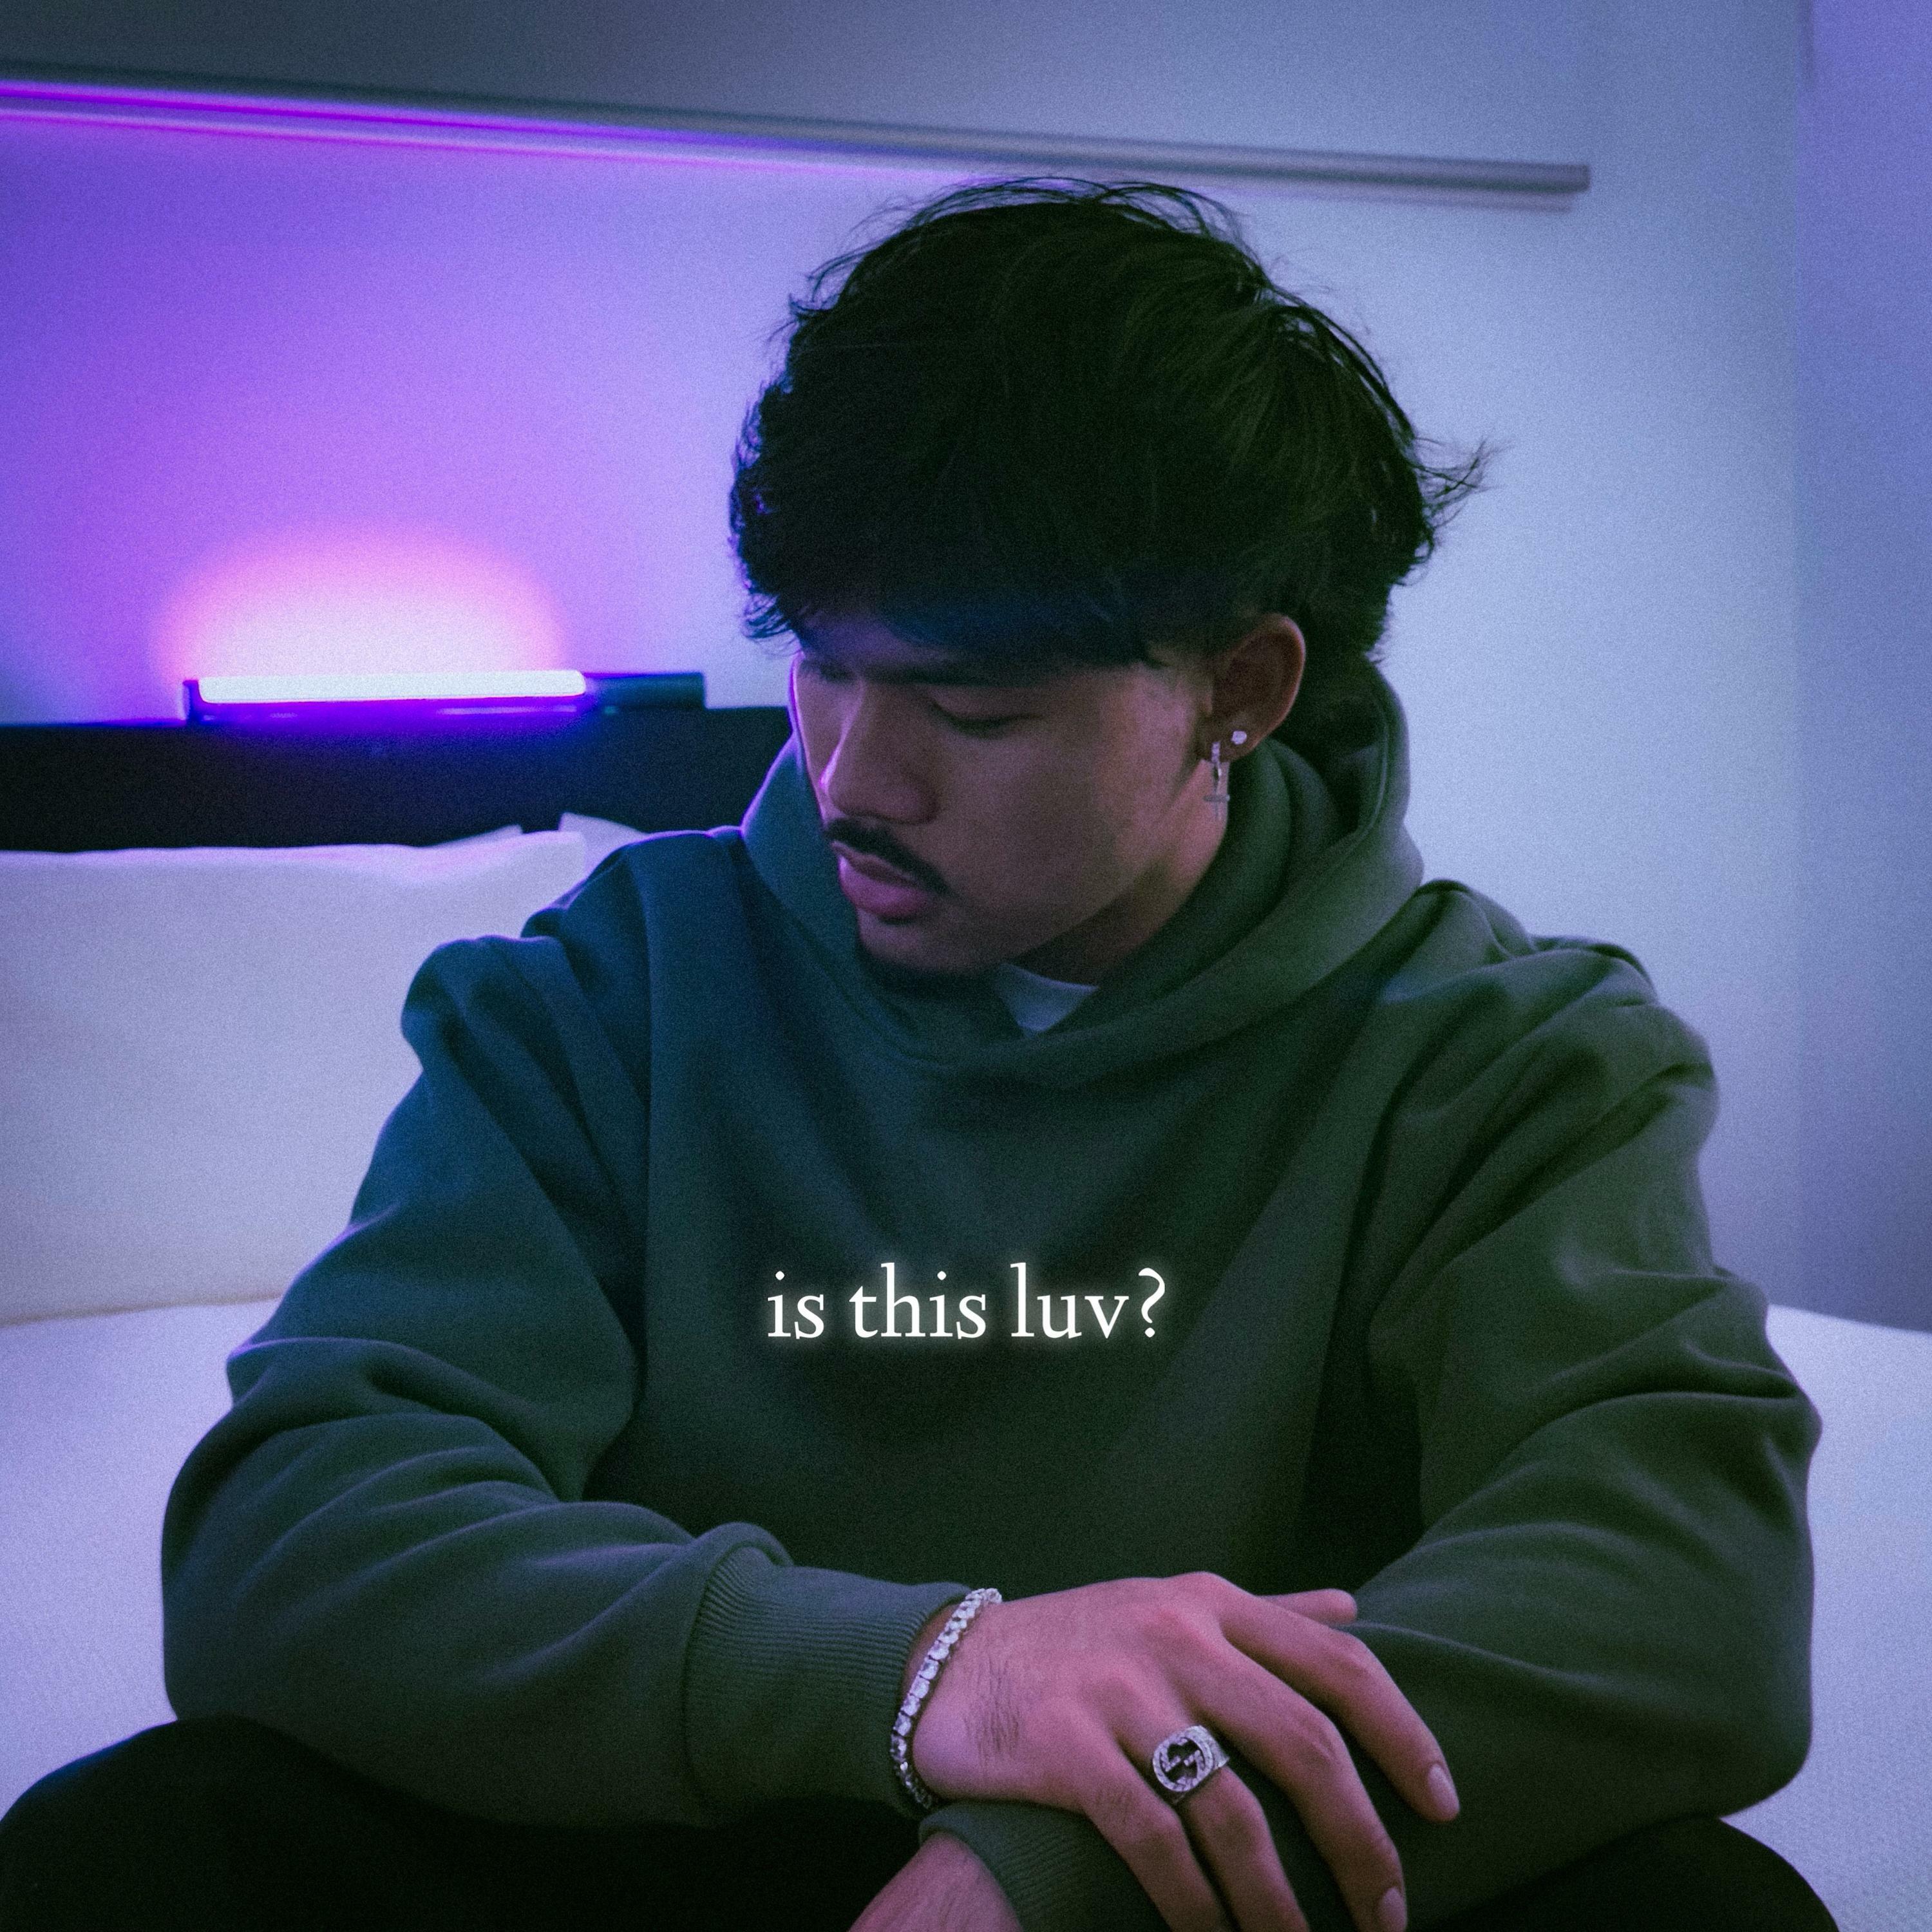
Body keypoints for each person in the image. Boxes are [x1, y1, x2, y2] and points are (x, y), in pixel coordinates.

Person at [0, 180, 1835, 1932]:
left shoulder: (1507, 1060)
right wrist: (937, 1674)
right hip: (658, 1835)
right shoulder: (616, 995)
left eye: (973, 707)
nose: (850, 776)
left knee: (1700, 1919)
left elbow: (1679, 1590)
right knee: (139, 1853)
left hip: (1176, 1900)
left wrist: (1063, 1866)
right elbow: (296, 1531)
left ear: (1240, 690)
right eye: (821, 664)